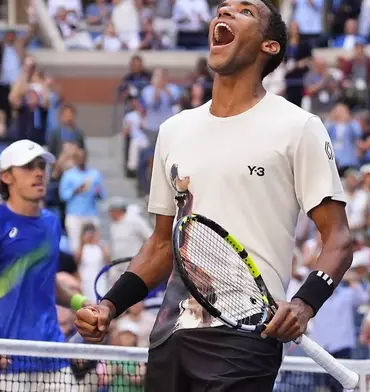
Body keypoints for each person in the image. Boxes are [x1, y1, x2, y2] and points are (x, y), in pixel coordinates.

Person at [74, 1, 353, 390]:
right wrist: (109, 305)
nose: (222, 14)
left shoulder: (298, 127)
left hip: (246, 338)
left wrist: (305, 304)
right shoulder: (174, 130)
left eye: (243, 11)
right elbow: (160, 245)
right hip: (170, 334)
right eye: (220, 9)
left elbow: (338, 238)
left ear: (269, 46)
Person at [0, 139, 90, 391]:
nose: (38, 173)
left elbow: (47, 281)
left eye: (41, 166)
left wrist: (81, 303)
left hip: (53, 356)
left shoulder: (52, 223)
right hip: (5, 362)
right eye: (27, 167)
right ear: (6, 177)